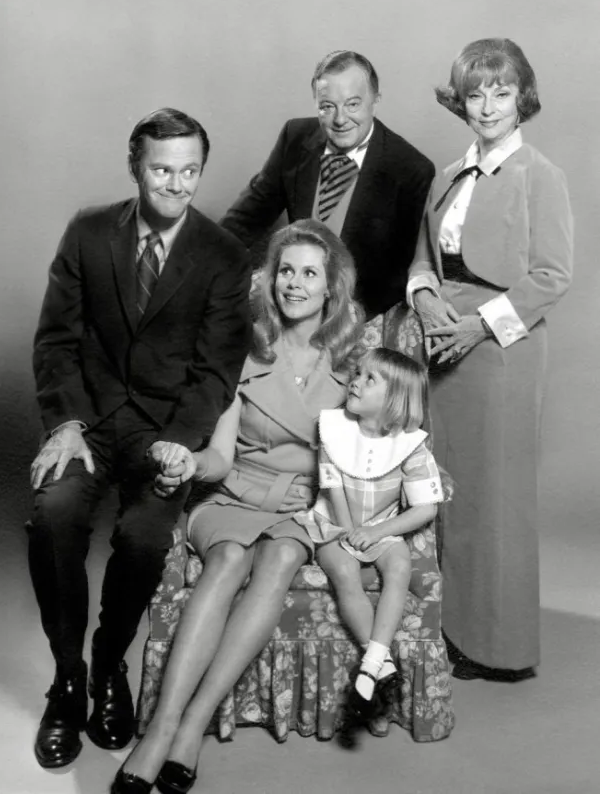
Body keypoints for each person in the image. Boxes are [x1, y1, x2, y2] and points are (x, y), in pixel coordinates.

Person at [27, 108, 252, 770]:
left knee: (145, 538)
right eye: (161, 170)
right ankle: (67, 681)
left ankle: (107, 666)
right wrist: (66, 422)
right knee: (53, 515)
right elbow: (56, 339)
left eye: (189, 171)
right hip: (87, 423)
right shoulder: (89, 232)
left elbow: (217, 369)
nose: (176, 185)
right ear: (136, 167)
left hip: (164, 432)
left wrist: (182, 443)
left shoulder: (223, 256)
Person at [111, 219, 364, 794]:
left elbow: (362, 455)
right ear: (269, 279)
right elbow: (221, 455)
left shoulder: (352, 362)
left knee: (277, 560)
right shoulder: (245, 348)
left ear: (331, 287)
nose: (294, 284)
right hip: (233, 492)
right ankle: (162, 730)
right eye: (285, 271)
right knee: (228, 559)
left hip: (302, 501)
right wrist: (189, 464)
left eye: (309, 273)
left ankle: (193, 726)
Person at [407, 38, 574, 681]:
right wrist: (423, 301)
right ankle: (451, 631)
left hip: (501, 351)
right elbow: (423, 258)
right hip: (442, 347)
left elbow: (552, 275)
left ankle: (500, 647)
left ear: (521, 97)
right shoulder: (446, 176)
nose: (487, 106)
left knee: (496, 503)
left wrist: (478, 327)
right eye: (475, 93)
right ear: (461, 101)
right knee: (447, 494)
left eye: (500, 92)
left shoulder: (542, 175)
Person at [220, 50, 434, 319]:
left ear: (375, 102)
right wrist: (202, 264)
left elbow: (400, 272)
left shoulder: (411, 169)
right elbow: (246, 219)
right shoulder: (295, 138)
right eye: (327, 106)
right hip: (291, 299)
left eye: (352, 104)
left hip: (358, 314)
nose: (340, 119)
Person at [297, 349, 443, 732]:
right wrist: (347, 534)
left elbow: (425, 508)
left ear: (394, 397)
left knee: (399, 564)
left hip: (381, 525)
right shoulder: (332, 428)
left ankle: (371, 662)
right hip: (334, 522)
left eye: (369, 379)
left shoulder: (410, 445)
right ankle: (384, 667)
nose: (355, 381)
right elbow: (333, 490)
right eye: (357, 373)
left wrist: (377, 533)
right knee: (344, 570)